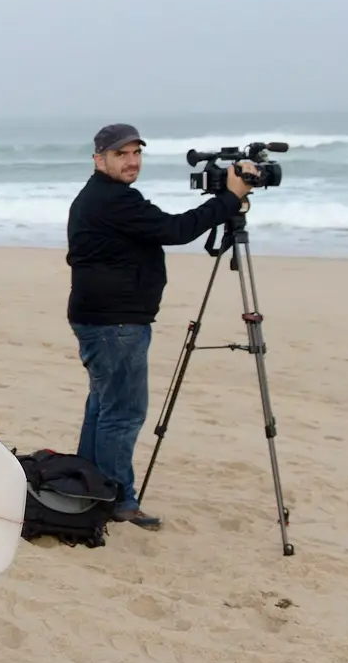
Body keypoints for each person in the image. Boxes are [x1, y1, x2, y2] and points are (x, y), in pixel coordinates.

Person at [66, 122, 254, 529]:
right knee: (123, 413)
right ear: (99, 158)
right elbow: (175, 230)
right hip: (115, 324)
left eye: (136, 153)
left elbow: (163, 230)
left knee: (104, 406)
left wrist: (226, 200)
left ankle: (87, 486)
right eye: (121, 154)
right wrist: (230, 199)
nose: (131, 161)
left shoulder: (106, 197)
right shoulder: (111, 201)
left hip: (103, 319)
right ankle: (118, 500)